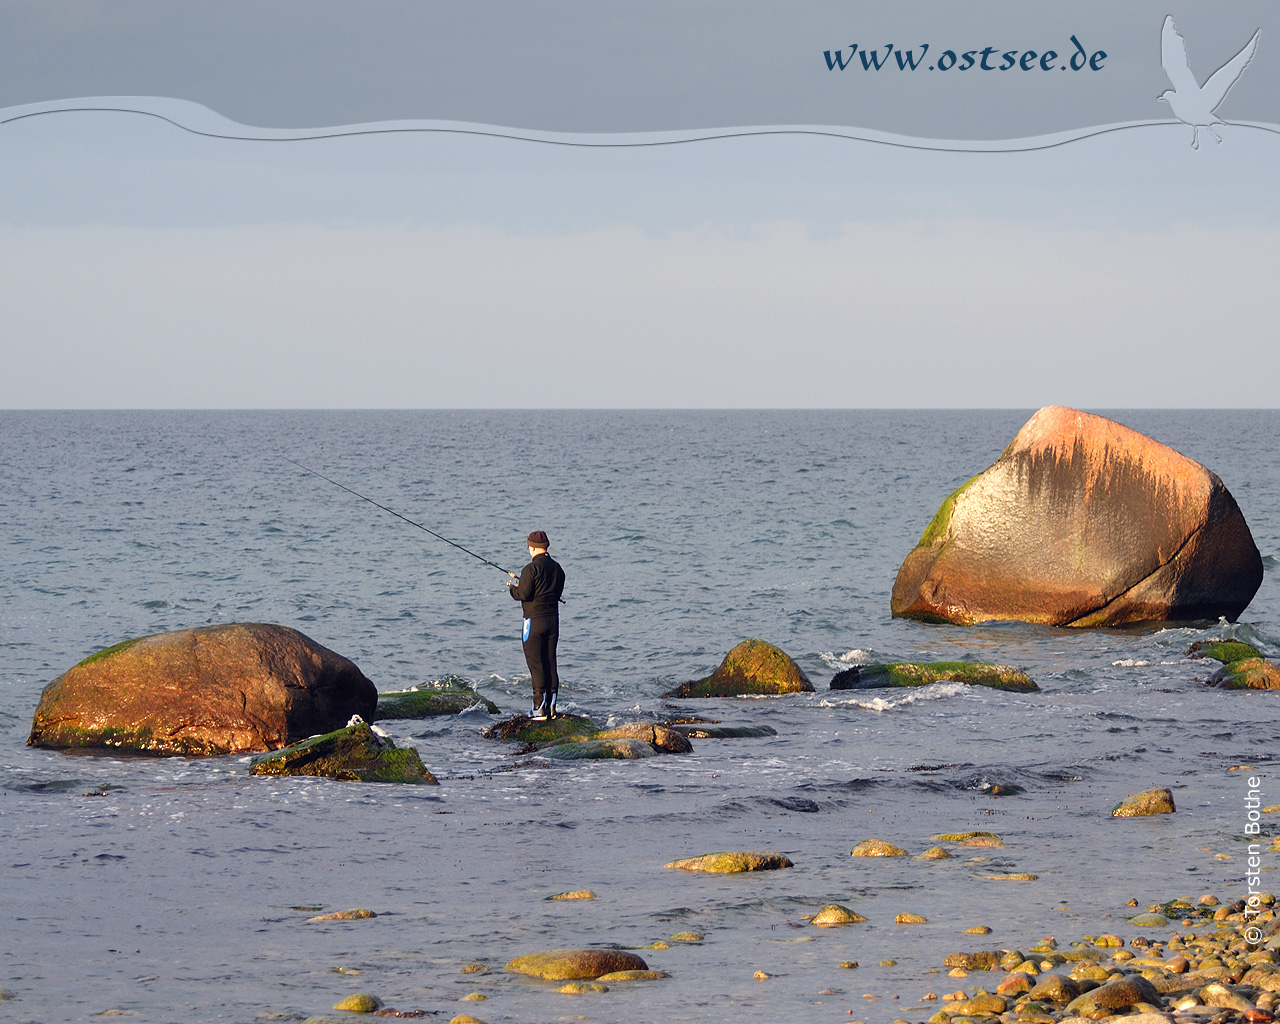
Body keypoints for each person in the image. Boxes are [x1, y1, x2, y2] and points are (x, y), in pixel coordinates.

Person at [507, 530, 565, 720]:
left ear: (532, 547)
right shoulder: (558, 569)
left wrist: (512, 589)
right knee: (550, 661)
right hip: (553, 621)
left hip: (533, 621)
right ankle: (552, 706)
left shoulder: (530, 569)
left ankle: (538, 708)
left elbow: (523, 595)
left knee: (536, 663)